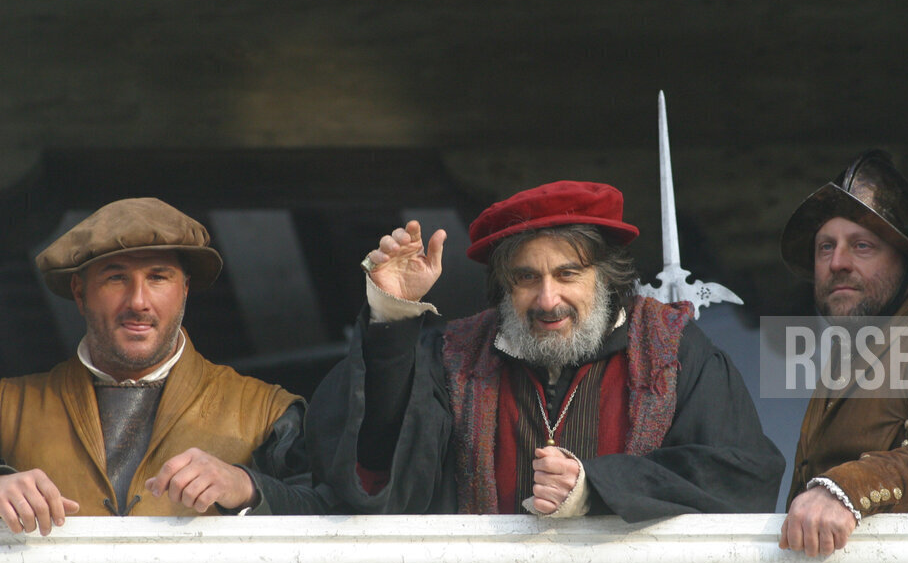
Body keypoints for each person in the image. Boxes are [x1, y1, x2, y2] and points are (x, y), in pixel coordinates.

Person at [305, 180, 784, 522]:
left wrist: (596, 487)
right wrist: (394, 316)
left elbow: (742, 475)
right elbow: (380, 456)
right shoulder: (455, 356)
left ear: (607, 277)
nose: (548, 299)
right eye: (526, 278)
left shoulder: (672, 349)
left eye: (568, 274)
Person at [0, 198, 329, 535]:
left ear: (184, 290)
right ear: (80, 293)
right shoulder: (8, 404)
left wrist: (247, 487)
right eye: (116, 278)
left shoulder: (268, 411)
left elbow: (334, 514)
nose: (138, 301)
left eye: (158, 277)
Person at [777, 149, 908, 557]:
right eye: (825, 247)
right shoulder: (853, 340)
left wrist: (846, 489)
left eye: (862, 246)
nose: (837, 263)